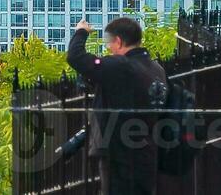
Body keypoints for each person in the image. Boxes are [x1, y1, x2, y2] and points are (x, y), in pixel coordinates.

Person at [66, 17, 168, 195]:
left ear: (119, 41)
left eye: (109, 43)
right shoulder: (156, 69)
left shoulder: (121, 66)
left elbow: (76, 57)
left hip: (119, 153)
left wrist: (81, 31)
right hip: (147, 151)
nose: (108, 49)